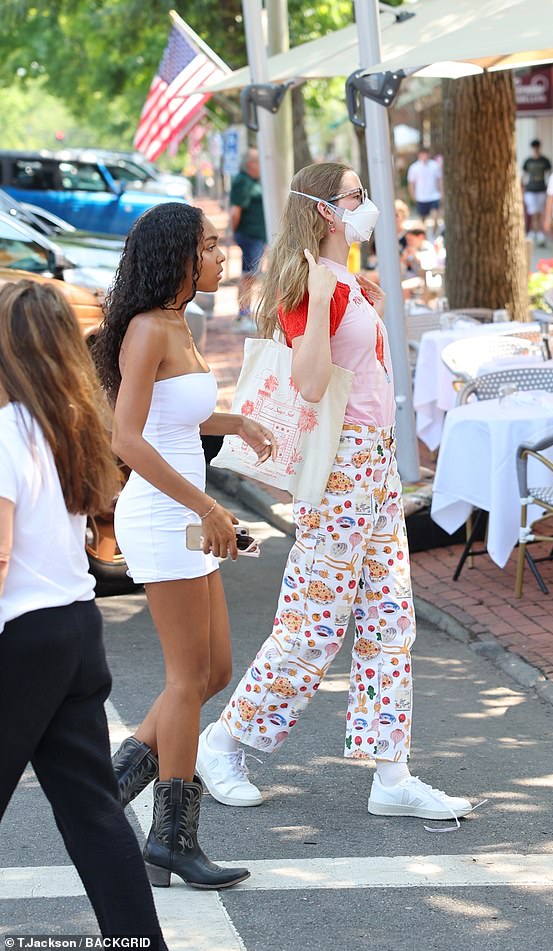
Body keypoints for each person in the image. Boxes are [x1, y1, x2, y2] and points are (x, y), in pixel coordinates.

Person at [195, 162, 473, 826]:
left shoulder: (342, 278)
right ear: (327, 210)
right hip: (341, 465)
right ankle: (222, 741)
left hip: (373, 464)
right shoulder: (309, 285)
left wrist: (351, 296)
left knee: (390, 621)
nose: (367, 204)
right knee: (313, 624)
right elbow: (313, 383)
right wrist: (323, 299)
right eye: (355, 196)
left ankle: (392, 772)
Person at [92, 202, 277, 889]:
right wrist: (206, 503)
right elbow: (127, 437)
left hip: (188, 516)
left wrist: (238, 421)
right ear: (176, 255)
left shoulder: (179, 322)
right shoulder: (146, 329)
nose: (220, 256)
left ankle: (109, 792)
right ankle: (173, 838)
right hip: (166, 515)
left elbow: (181, 416)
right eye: (208, 246)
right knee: (185, 679)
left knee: (214, 670)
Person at [0, 280, 168, 946]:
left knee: (92, 812)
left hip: (25, 635)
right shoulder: (69, 424)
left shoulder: (8, 430)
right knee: (93, 814)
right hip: (76, 629)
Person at [230, 148, 267, 332]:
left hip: (257, 236)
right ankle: (243, 314)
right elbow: (235, 211)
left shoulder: (254, 181)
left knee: (251, 275)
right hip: (249, 235)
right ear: (251, 164)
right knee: (248, 275)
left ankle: (245, 313)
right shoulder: (243, 182)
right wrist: (234, 231)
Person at [407, 147, 442, 237]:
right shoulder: (414, 167)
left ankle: (434, 236)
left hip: (434, 196)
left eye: (425, 154)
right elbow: (411, 183)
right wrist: (413, 195)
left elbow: (439, 180)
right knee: (422, 220)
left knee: (435, 218)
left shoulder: (434, 165)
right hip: (421, 197)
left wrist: (441, 192)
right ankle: (423, 236)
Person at [522, 139, 551, 245]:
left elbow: (548, 175)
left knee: (540, 211)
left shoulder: (544, 161)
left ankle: (538, 232)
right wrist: (523, 189)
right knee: (533, 212)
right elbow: (524, 176)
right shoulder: (528, 161)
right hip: (530, 189)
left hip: (541, 189)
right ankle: (535, 232)